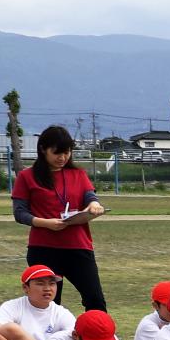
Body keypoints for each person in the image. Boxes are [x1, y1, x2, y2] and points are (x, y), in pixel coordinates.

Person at [12, 125, 108, 313]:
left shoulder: (78, 174)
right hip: (44, 249)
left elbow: (89, 196)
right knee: (49, 305)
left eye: (67, 152)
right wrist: (45, 223)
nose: (62, 158)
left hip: (78, 247)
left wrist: (94, 205)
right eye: (57, 153)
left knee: (95, 299)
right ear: (43, 149)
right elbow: (20, 212)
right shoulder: (27, 176)